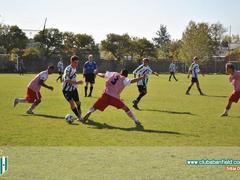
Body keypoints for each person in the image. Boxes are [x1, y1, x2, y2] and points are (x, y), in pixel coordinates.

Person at [62, 55, 83, 120]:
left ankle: (79, 113)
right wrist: (77, 82)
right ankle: (79, 117)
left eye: (77, 62)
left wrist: (76, 84)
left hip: (73, 89)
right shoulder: (68, 69)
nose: (76, 64)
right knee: (72, 103)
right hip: (66, 90)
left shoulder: (74, 68)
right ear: (71, 61)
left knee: (78, 103)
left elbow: (73, 78)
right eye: (75, 62)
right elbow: (66, 80)